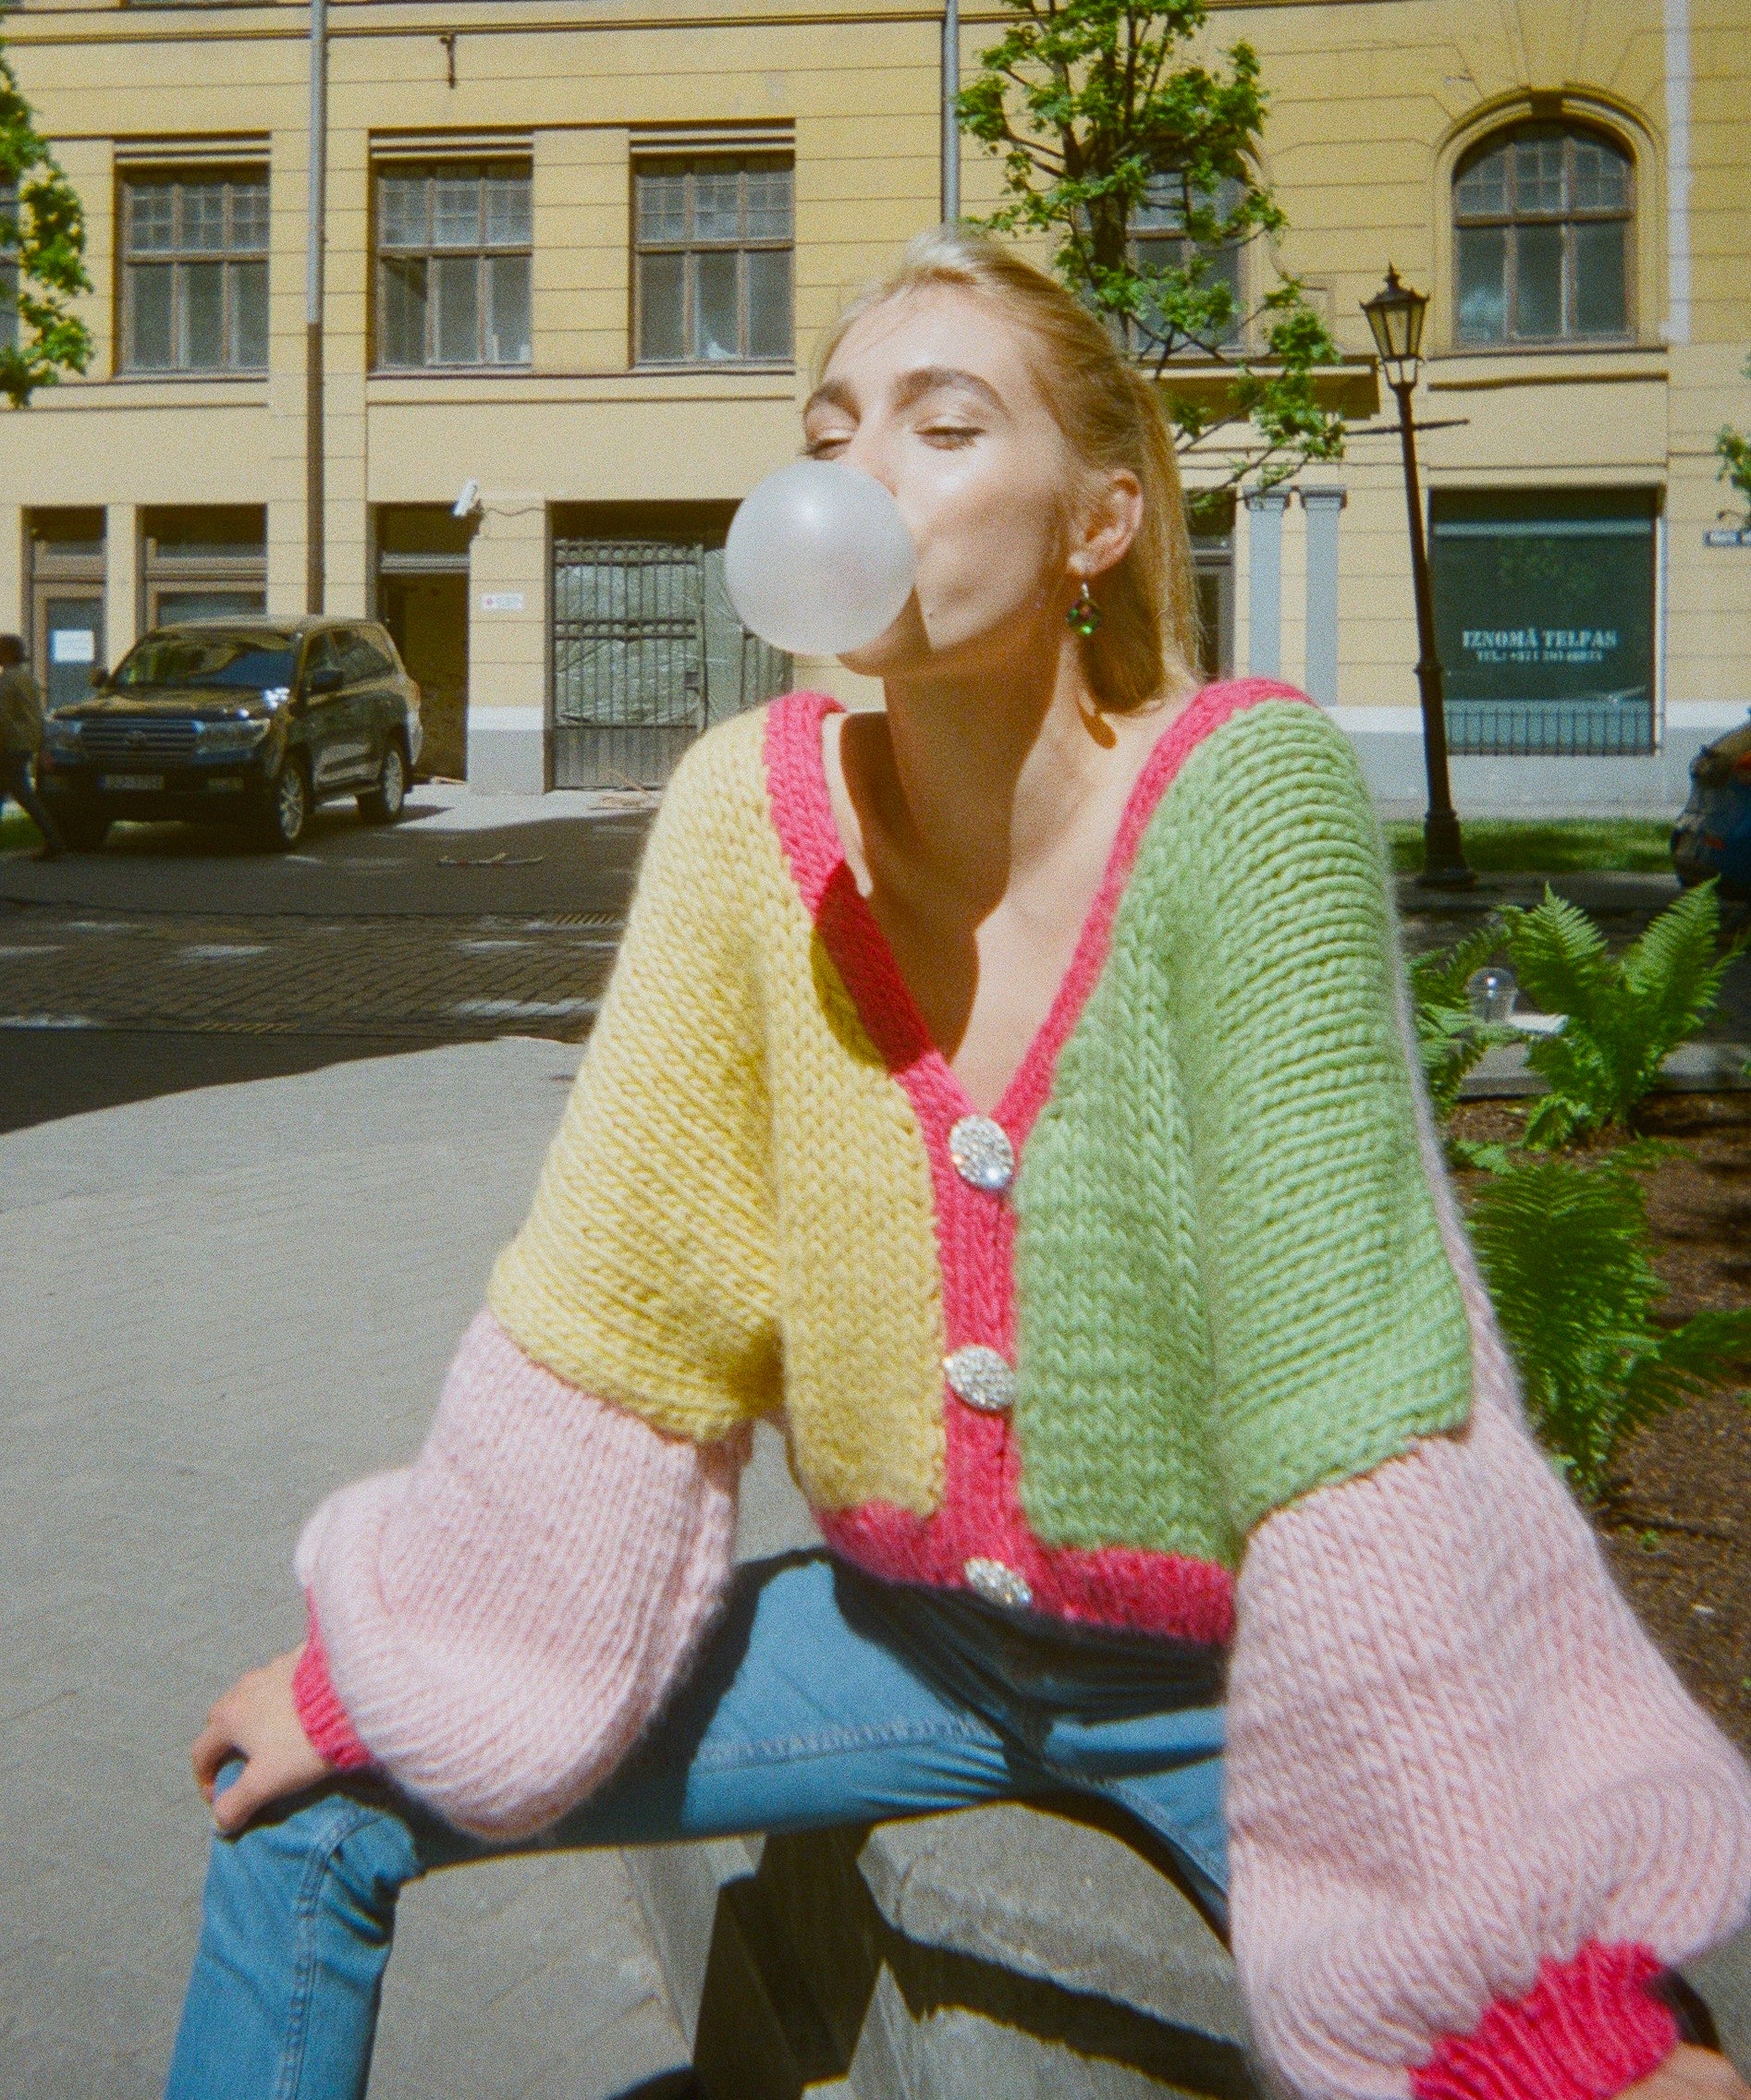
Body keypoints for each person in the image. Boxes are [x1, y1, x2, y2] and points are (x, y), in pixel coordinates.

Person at [167, 228, 1751, 2100]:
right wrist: (398, 1666)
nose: (853, 474)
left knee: (1591, 2055)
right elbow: (623, 1302)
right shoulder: (743, 819)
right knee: (300, 1812)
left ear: (1095, 518)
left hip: (1227, 1690)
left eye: (939, 425)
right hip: (902, 1640)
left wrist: (1504, 1964)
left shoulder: (1246, 800)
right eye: (830, 428)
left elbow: (1351, 1376)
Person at [0, 633, 65, 860]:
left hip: (9, 745)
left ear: (6, 654)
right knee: (17, 792)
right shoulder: (29, 679)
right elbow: (38, 715)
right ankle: (54, 840)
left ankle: (54, 841)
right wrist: (41, 745)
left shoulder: (6, 681)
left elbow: (3, 717)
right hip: (26, 743)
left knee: (24, 794)